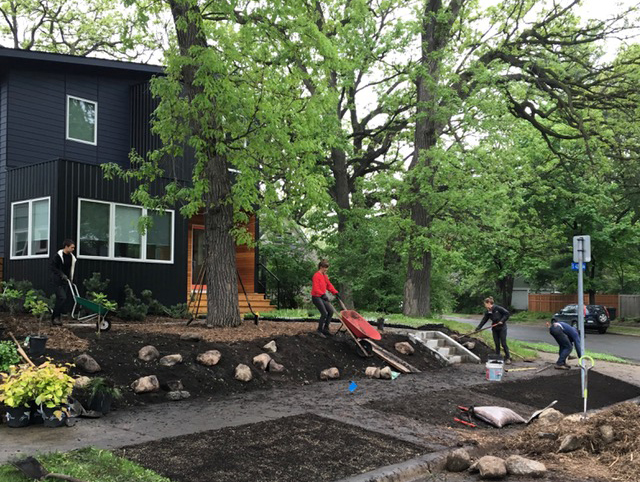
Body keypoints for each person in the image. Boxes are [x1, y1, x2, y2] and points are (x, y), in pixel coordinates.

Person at [476, 296, 512, 364]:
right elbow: (484, 320)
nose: (485, 306)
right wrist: (478, 328)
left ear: (489, 303)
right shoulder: (488, 312)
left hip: (502, 328)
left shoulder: (498, 308)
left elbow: (507, 313)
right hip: (495, 328)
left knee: (503, 343)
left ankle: (508, 358)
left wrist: (502, 320)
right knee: (497, 344)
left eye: (485, 304)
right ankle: (497, 358)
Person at [50, 239, 76, 326]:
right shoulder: (58, 256)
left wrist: (70, 279)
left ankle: (56, 317)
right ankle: (55, 317)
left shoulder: (71, 257)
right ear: (66, 247)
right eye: (72, 247)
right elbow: (53, 268)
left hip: (65, 281)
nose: (73, 249)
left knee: (60, 299)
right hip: (57, 280)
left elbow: (70, 269)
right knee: (62, 298)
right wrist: (61, 274)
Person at [311, 260, 339, 337]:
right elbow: (316, 288)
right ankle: (319, 331)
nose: (326, 270)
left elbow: (329, 285)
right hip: (316, 297)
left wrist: (335, 292)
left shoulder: (324, 276)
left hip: (322, 296)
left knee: (330, 311)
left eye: (327, 268)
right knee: (324, 313)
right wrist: (322, 294)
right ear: (321, 267)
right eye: (325, 268)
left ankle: (326, 329)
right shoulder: (316, 275)